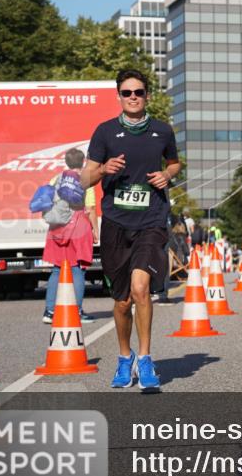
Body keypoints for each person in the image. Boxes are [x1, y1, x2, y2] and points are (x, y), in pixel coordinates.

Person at [81, 69, 179, 391]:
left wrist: (167, 175)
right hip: (116, 224)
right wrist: (102, 170)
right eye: (127, 93)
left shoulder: (162, 131)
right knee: (122, 301)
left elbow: (174, 163)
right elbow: (85, 179)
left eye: (138, 92)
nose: (133, 97)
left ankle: (146, 358)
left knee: (141, 289)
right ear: (119, 96)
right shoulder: (105, 132)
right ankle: (125, 357)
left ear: (147, 95)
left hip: (151, 220)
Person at [42, 148, 98, 324]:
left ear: (66, 162)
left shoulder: (56, 179)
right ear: (83, 162)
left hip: (57, 228)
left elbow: (49, 202)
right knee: (78, 269)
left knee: (57, 269)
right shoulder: (85, 180)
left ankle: (50, 311)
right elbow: (90, 209)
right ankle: (77, 311)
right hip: (78, 228)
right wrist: (95, 230)